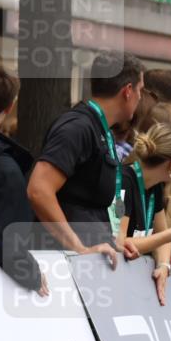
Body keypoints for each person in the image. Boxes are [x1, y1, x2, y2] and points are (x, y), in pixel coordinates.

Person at [27, 50, 145, 266]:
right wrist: (78, 248)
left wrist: (112, 241)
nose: (141, 97)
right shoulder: (78, 127)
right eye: (140, 90)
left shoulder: (101, 129)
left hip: (87, 263)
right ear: (128, 91)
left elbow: (88, 204)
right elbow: (38, 190)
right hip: (62, 265)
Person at [116, 118, 171, 314]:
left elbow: (162, 237)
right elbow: (120, 242)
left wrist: (163, 265)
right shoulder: (123, 181)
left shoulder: (155, 187)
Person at [0, 65, 45, 294]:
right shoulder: (4, 169)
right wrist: (33, 275)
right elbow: (8, 244)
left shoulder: (4, 166)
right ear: (9, 107)